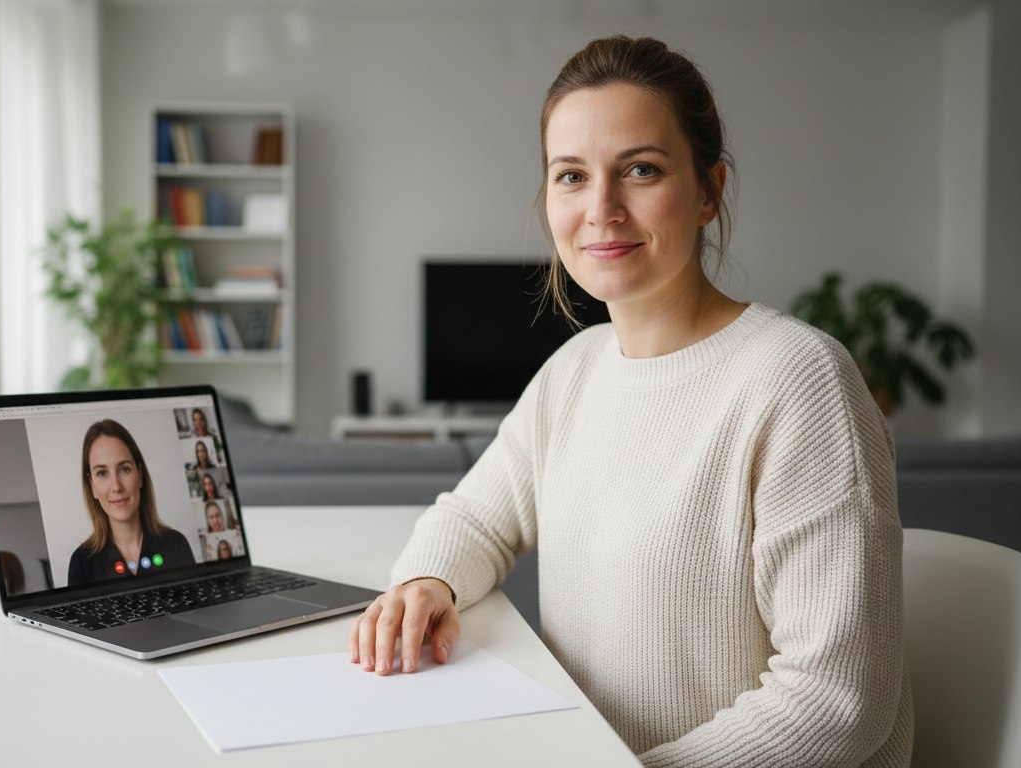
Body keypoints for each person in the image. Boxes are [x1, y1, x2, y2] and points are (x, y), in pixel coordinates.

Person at [348, 35, 912, 766]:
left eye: (640, 170)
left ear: (709, 190)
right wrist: (427, 581)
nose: (601, 208)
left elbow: (837, 702)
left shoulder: (798, 381)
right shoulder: (574, 369)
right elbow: (477, 516)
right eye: (571, 176)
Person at [67, 419, 194, 586]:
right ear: (92, 487)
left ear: (140, 476)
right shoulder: (81, 563)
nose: (116, 486)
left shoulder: (177, 545)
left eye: (124, 469)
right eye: (102, 473)